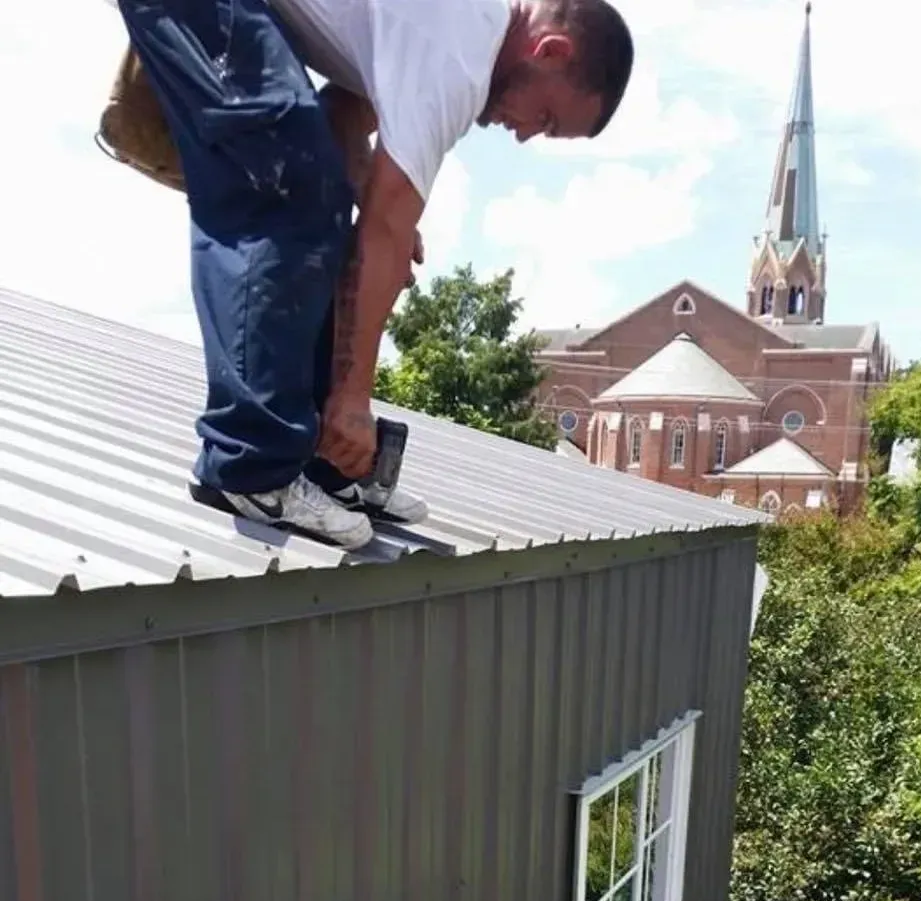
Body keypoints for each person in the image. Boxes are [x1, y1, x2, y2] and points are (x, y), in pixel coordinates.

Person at [114, 0, 635, 550]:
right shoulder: (458, 57)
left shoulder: (449, 31)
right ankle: (251, 465)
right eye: (545, 119)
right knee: (289, 184)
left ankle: (321, 463)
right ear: (549, 50)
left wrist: (370, 188)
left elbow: (343, 118)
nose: (526, 135)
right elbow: (384, 229)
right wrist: (353, 400)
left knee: (318, 180)